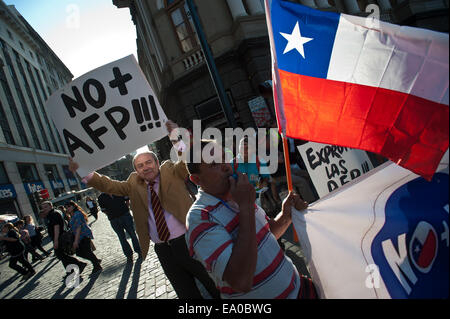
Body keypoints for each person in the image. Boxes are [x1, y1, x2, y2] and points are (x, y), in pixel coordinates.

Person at [68, 120, 220, 299]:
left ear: (157, 162)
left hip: (188, 241)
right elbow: (109, 185)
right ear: (136, 171)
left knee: (213, 285)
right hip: (164, 250)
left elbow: (185, 159)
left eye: (149, 162)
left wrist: (175, 136)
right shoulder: (133, 183)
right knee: (186, 294)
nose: (145, 167)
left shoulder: (171, 170)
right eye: (140, 166)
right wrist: (85, 172)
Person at [185, 139, 318, 299]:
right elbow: (241, 280)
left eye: (224, 158)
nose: (226, 166)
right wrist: (246, 206)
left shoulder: (236, 195)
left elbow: (268, 234)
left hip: (300, 287)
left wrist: (286, 215)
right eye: (214, 164)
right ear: (197, 180)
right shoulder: (200, 217)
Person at [39, 201, 87, 280]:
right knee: (61, 255)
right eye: (43, 207)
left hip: (59, 237)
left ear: (51, 206)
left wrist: (56, 240)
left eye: (46, 207)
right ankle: (70, 271)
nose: (44, 209)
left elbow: (56, 227)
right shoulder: (50, 215)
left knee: (61, 255)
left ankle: (79, 264)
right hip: (58, 237)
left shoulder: (53, 214)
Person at [97, 193, 141, 262]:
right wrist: (111, 215)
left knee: (133, 234)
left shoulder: (118, 189)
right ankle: (129, 255)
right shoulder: (101, 197)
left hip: (125, 216)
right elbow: (103, 210)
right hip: (114, 220)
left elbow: (127, 199)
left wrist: (126, 210)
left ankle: (139, 250)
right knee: (121, 238)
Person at [65, 201, 102, 275]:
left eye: (69, 206)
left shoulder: (77, 214)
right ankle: (95, 261)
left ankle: (97, 266)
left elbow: (79, 227)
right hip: (78, 236)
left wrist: (76, 241)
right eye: (66, 207)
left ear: (73, 206)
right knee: (80, 253)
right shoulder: (72, 215)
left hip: (83, 235)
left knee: (86, 251)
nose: (67, 208)